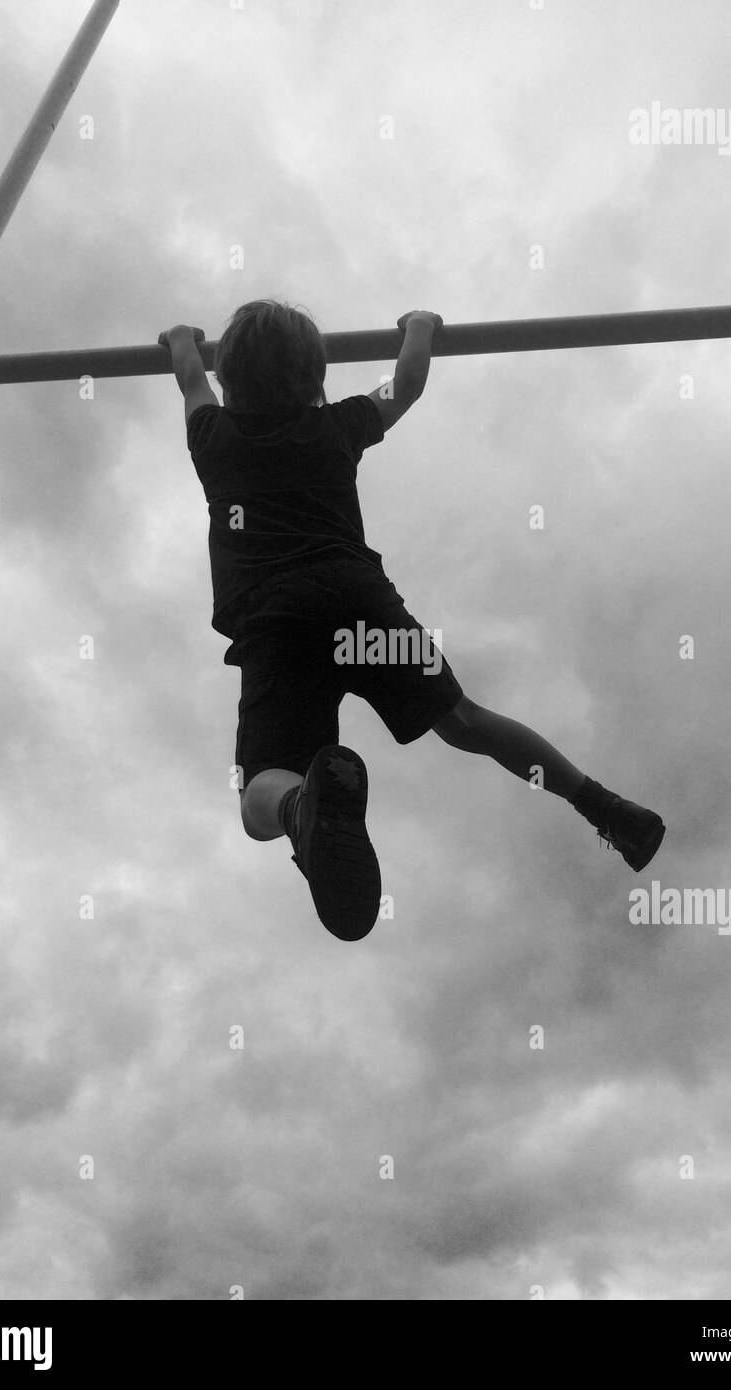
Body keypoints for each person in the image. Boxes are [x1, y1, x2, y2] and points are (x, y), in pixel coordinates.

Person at [160, 300, 665, 942]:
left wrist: (183, 339)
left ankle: (301, 808)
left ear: (231, 379)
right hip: (356, 603)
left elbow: (189, 379)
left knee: (261, 795)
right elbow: (407, 383)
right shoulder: (337, 427)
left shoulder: (216, 441)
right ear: (313, 376)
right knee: (463, 721)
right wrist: (418, 325)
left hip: (275, 621)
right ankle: (605, 806)